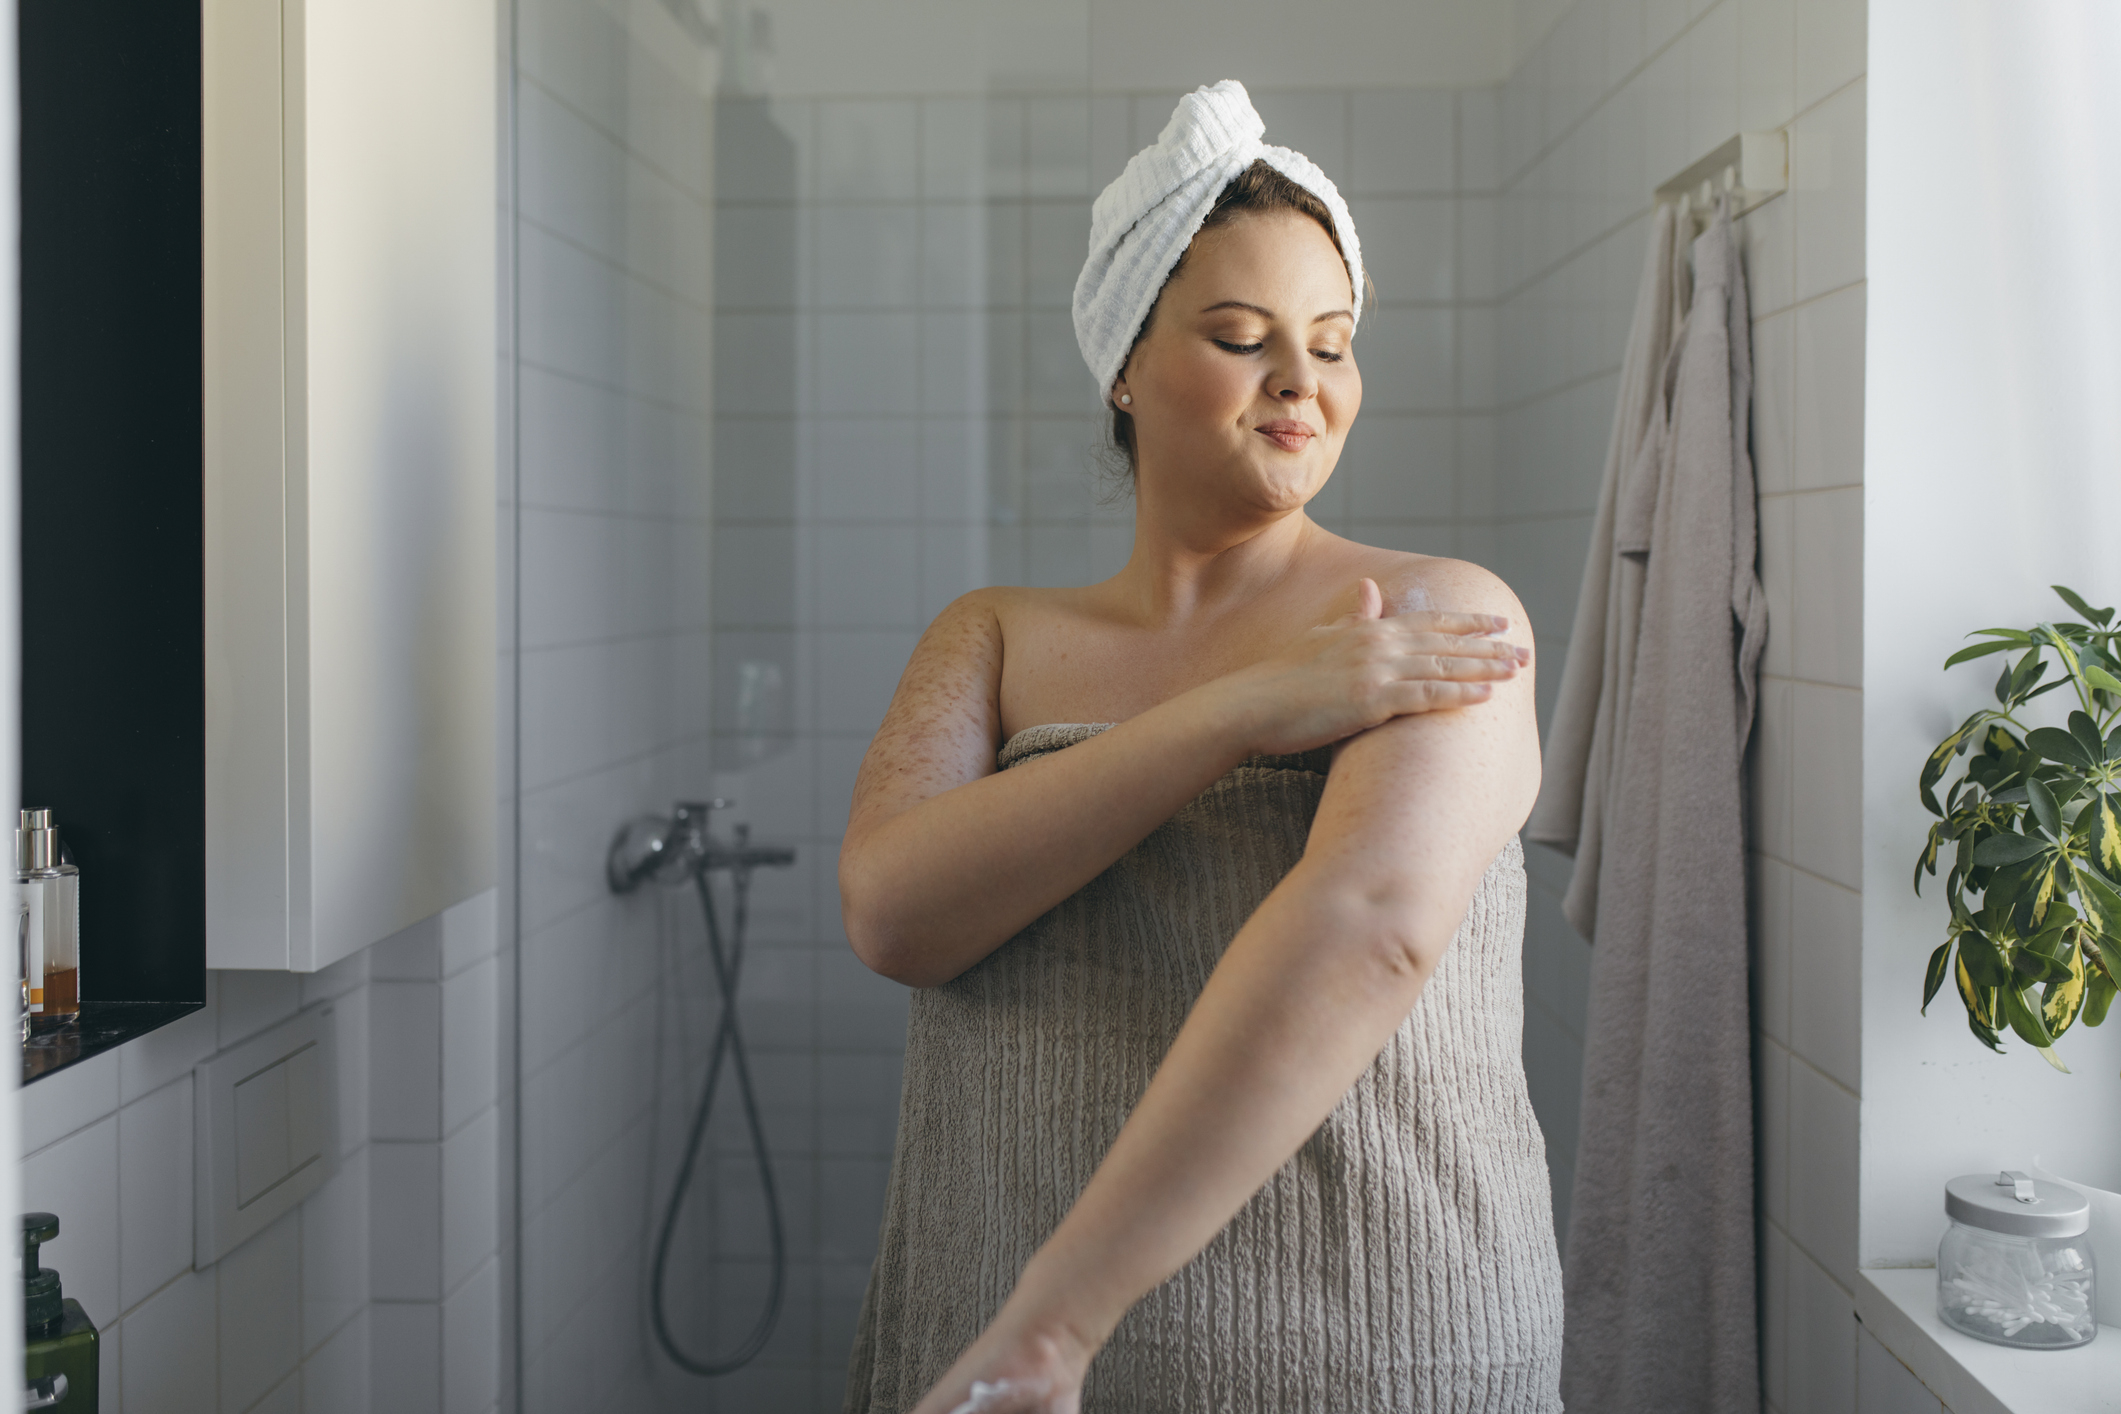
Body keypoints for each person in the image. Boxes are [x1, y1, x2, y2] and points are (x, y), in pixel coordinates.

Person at [837, 81, 1563, 1414]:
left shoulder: (1438, 616)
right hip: (1011, 1357)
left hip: (1368, 1349)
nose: (1302, 379)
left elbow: (1372, 924)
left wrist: (1055, 1325)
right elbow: (895, 913)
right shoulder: (989, 636)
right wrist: (1239, 710)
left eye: (1333, 343)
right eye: (1242, 336)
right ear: (1123, 361)